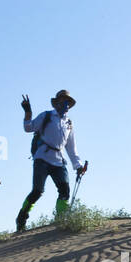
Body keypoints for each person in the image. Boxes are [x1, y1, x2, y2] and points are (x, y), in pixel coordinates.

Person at [16, 90, 87, 232]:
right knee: (37, 191)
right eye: (62, 100)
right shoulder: (46, 116)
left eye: (67, 101)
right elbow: (28, 127)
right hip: (42, 157)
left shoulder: (69, 124)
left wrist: (78, 166)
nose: (65, 103)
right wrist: (28, 112)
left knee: (64, 190)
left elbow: (71, 148)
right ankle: (22, 217)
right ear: (57, 102)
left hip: (59, 160)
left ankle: (61, 220)